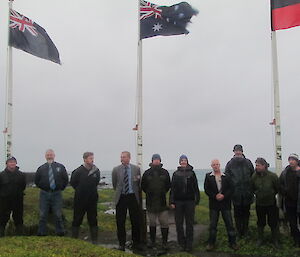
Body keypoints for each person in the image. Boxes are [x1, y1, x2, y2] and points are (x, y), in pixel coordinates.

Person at [112, 151, 143, 251]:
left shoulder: (136, 169)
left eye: (124, 157)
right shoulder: (116, 169)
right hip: (121, 197)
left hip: (132, 196)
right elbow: (114, 184)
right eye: (121, 157)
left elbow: (138, 183)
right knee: (120, 221)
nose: (122, 159)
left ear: (129, 158)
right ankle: (121, 243)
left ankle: (136, 242)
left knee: (135, 221)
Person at [204, 159, 237, 251]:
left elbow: (231, 188)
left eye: (217, 164)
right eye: (213, 164)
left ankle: (233, 243)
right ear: (211, 166)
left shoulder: (226, 176)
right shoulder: (208, 176)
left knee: (229, 224)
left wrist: (224, 195)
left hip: (225, 204)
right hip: (214, 204)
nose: (215, 166)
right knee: (213, 225)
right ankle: (211, 243)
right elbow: (206, 189)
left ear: (219, 165)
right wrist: (215, 196)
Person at [170, 155, 200, 252]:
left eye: (185, 160)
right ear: (179, 162)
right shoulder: (175, 173)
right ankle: (181, 243)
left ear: (187, 161)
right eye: (182, 160)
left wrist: (197, 199)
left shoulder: (192, 173)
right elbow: (172, 189)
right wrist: (171, 201)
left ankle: (189, 244)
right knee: (179, 224)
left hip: (189, 201)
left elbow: (196, 187)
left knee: (189, 223)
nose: (183, 162)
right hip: (178, 201)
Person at [35, 149, 69, 236]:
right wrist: (44, 187)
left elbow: (65, 179)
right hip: (44, 193)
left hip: (57, 193)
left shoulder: (60, 167)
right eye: (48, 155)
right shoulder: (41, 168)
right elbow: (36, 181)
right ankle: (41, 233)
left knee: (57, 214)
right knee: (43, 214)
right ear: (45, 156)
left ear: (54, 155)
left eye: (51, 154)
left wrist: (61, 188)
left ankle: (60, 232)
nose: (49, 156)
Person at [141, 154, 171, 250]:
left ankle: (164, 242)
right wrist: (150, 193)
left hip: (162, 203)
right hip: (150, 203)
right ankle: (152, 241)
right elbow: (143, 186)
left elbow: (168, 186)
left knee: (164, 223)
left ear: (160, 161)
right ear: (152, 161)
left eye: (158, 159)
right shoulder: (147, 173)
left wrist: (162, 192)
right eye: (155, 159)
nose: (156, 161)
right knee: (152, 223)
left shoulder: (165, 172)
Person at [70, 152, 100, 244]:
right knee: (77, 219)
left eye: (92, 158)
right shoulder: (78, 171)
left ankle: (94, 241)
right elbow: (73, 182)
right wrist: (80, 191)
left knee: (93, 219)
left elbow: (96, 182)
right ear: (85, 159)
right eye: (90, 158)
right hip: (80, 200)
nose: (92, 160)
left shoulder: (96, 170)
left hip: (92, 200)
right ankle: (74, 240)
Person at [225, 144, 254, 238]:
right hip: (235, 193)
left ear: (242, 152)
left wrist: (252, 190)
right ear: (233, 152)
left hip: (247, 193)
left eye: (239, 150)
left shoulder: (248, 162)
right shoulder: (229, 164)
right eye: (236, 150)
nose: (238, 152)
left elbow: (253, 176)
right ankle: (238, 231)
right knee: (237, 213)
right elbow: (227, 179)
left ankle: (245, 231)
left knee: (246, 212)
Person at [251, 158, 280, 248]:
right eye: (256, 165)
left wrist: (271, 194)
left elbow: (277, 188)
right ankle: (260, 239)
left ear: (264, 166)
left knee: (273, 222)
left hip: (271, 204)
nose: (256, 167)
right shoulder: (254, 176)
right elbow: (252, 188)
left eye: (258, 165)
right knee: (260, 222)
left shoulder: (273, 176)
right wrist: (257, 193)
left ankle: (275, 240)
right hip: (260, 204)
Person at [0, 157, 26, 237]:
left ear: (16, 163)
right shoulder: (1, 175)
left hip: (17, 199)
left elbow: (23, 186)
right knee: (2, 218)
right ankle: (1, 235)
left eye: (14, 162)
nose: (12, 164)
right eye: (10, 162)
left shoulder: (21, 175)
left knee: (18, 218)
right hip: (4, 200)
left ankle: (20, 235)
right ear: (7, 164)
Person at [279, 153, 300, 247]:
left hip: (299, 201)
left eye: (293, 159)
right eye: (290, 159)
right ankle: (296, 240)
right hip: (289, 202)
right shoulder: (285, 173)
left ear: (297, 161)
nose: (291, 161)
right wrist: (284, 191)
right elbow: (280, 185)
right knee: (292, 222)